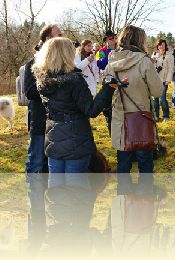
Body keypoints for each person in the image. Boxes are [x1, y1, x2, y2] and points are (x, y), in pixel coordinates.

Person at [32, 37, 115, 255]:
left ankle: (57, 242)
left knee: (56, 196)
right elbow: (91, 110)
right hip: (76, 142)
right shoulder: (74, 81)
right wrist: (108, 88)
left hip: (54, 142)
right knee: (77, 195)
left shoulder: (43, 81)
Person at [104, 25, 163, 178]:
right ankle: (144, 201)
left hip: (120, 120)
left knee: (123, 167)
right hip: (141, 121)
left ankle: (123, 201)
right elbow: (158, 91)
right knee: (145, 168)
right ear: (139, 41)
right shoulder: (144, 62)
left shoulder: (111, 61)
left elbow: (106, 88)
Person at [24, 23, 62, 253]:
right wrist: (52, 85)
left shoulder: (61, 64)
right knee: (36, 166)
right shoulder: (34, 63)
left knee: (51, 170)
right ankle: (37, 215)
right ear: (47, 38)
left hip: (57, 125)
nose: (61, 38)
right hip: (39, 124)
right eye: (58, 35)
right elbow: (29, 92)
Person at [97, 30, 117, 135]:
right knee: (108, 106)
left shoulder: (120, 49)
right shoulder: (101, 51)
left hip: (119, 80)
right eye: (110, 38)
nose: (113, 40)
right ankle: (110, 126)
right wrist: (110, 55)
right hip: (108, 80)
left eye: (114, 37)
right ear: (106, 40)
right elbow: (99, 64)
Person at [151, 39, 174, 121]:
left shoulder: (169, 55)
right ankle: (156, 115)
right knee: (155, 99)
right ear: (157, 46)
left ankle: (166, 116)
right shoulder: (154, 54)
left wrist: (168, 79)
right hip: (154, 80)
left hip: (164, 80)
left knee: (162, 99)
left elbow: (171, 69)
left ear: (165, 46)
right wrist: (153, 62)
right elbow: (150, 68)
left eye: (163, 45)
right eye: (160, 45)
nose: (161, 47)